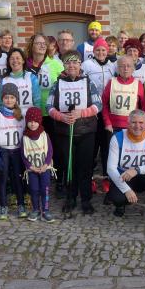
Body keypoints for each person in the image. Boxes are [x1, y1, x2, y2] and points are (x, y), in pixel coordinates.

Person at [49, 51, 102, 215]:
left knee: (85, 167)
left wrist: (81, 113)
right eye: (68, 62)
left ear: (80, 64)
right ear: (64, 65)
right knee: (69, 166)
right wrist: (62, 117)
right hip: (65, 132)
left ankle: (86, 199)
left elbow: (98, 105)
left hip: (86, 131)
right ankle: (70, 198)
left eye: (75, 62)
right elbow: (49, 106)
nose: (71, 65)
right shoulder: (57, 84)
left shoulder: (88, 82)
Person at [106, 109, 145, 226]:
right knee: (117, 198)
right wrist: (126, 190)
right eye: (133, 122)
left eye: (141, 122)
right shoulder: (117, 137)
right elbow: (111, 168)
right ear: (128, 124)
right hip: (124, 177)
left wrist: (137, 170)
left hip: (143, 176)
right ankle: (121, 205)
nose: (137, 126)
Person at [26, 33, 64, 174]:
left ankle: (55, 173)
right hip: (30, 113)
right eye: (38, 43)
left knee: (53, 144)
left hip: (50, 112)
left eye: (44, 43)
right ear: (32, 46)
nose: (42, 46)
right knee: (34, 144)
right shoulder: (25, 65)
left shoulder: (55, 64)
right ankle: (33, 172)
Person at [82, 37, 116, 185]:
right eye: (98, 50)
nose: (101, 53)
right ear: (93, 51)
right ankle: (89, 179)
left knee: (107, 147)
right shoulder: (87, 65)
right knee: (92, 146)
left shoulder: (112, 66)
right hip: (92, 111)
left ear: (107, 51)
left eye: (103, 50)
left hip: (107, 111)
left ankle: (107, 178)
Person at [0, 83, 26, 220]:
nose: (9, 100)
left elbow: (25, 136)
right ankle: (3, 206)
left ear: (16, 99)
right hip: (3, 151)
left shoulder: (21, 115)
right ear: (2, 99)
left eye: (12, 97)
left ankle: (21, 204)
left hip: (17, 152)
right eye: (6, 97)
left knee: (18, 178)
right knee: (3, 178)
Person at [21, 107, 56, 222]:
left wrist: (45, 165)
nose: (32, 124)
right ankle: (35, 209)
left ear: (39, 121)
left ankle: (45, 210)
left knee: (45, 189)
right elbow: (23, 155)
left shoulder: (44, 135)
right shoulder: (25, 138)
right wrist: (31, 167)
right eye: (30, 121)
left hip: (44, 168)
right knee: (34, 189)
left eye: (35, 121)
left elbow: (50, 151)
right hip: (32, 170)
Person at [102, 55, 145, 134]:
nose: (126, 69)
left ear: (133, 68)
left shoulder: (138, 84)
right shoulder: (111, 82)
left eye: (128, 66)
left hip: (133, 126)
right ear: (118, 68)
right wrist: (107, 123)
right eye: (122, 66)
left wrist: (141, 124)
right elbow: (104, 104)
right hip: (113, 126)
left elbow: (143, 106)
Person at [0, 48, 41, 116]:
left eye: (18, 58)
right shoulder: (3, 80)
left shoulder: (31, 77)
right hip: (9, 118)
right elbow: (0, 103)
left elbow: (37, 101)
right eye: (12, 58)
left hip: (28, 118)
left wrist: (36, 117)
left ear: (23, 60)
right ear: (8, 62)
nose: (15, 60)